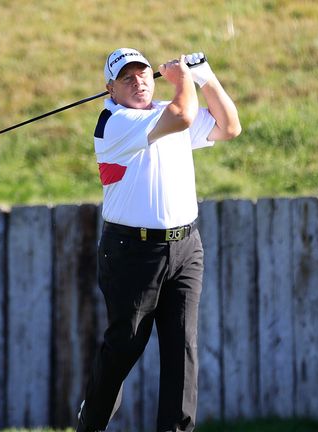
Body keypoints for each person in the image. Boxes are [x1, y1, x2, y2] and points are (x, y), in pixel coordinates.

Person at [77, 47, 241, 432]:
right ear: (110, 89)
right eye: (127, 78)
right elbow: (183, 116)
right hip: (131, 251)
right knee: (124, 347)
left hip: (186, 247)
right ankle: (91, 423)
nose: (139, 82)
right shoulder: (114, 123)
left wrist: (205, 76)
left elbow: (230, 126)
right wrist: (183, 78)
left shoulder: (164, 111)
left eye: (145, 74)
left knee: (182, 350)